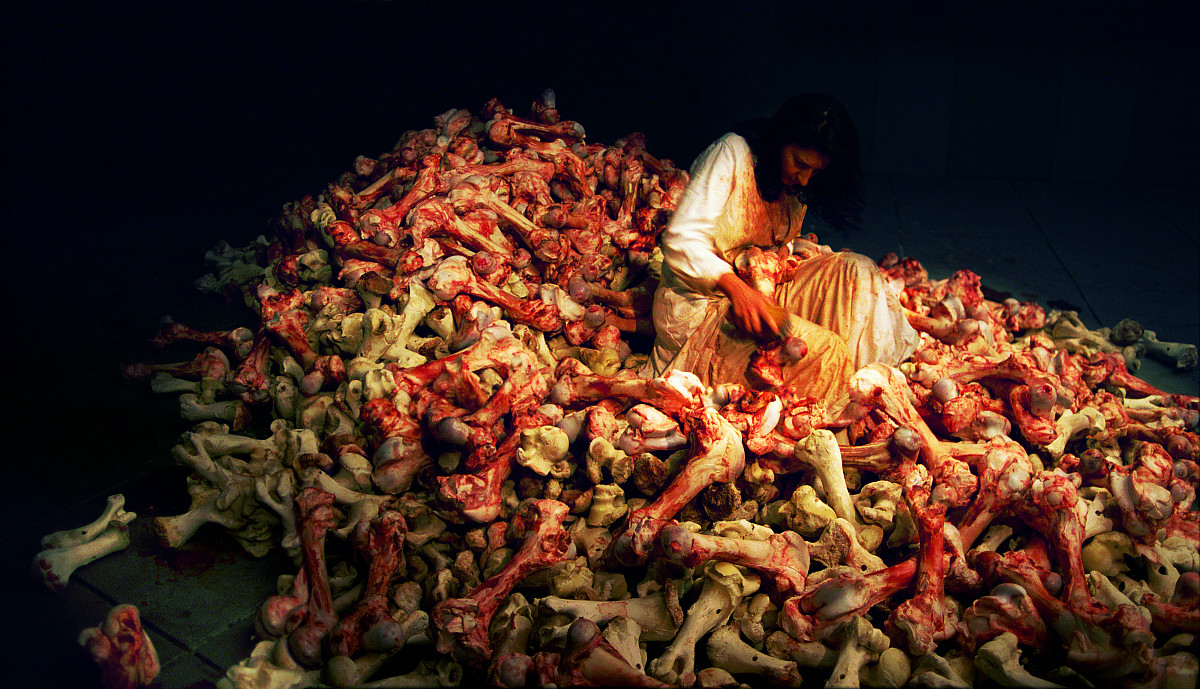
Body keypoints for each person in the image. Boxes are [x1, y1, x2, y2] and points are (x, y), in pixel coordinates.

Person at [640, 94, 919, 403]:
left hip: (762, 286)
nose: (804, 178)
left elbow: (778, 239)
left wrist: (782, 262)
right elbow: (680, 239)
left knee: (858, 271)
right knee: (827, 352)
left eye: (816, 172)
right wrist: (736, 288)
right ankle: (838, 414)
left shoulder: (798, 182)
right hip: (701, 302)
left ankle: (867, 390)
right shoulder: (731, 153)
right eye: (799, 163)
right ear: (781, 140)